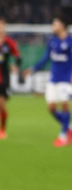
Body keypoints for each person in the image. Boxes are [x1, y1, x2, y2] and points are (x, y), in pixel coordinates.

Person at [24, 16, 72, 147]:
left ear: (63, 25)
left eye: (55, 24)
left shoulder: (70, 41)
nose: (53, 26)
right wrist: (33, 69)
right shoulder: (52, 42)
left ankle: (63, 135)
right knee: (51, 108)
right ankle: (69, 127)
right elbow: (45, 59)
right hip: (53, 79)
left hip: (66, 79)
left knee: (65, 105)